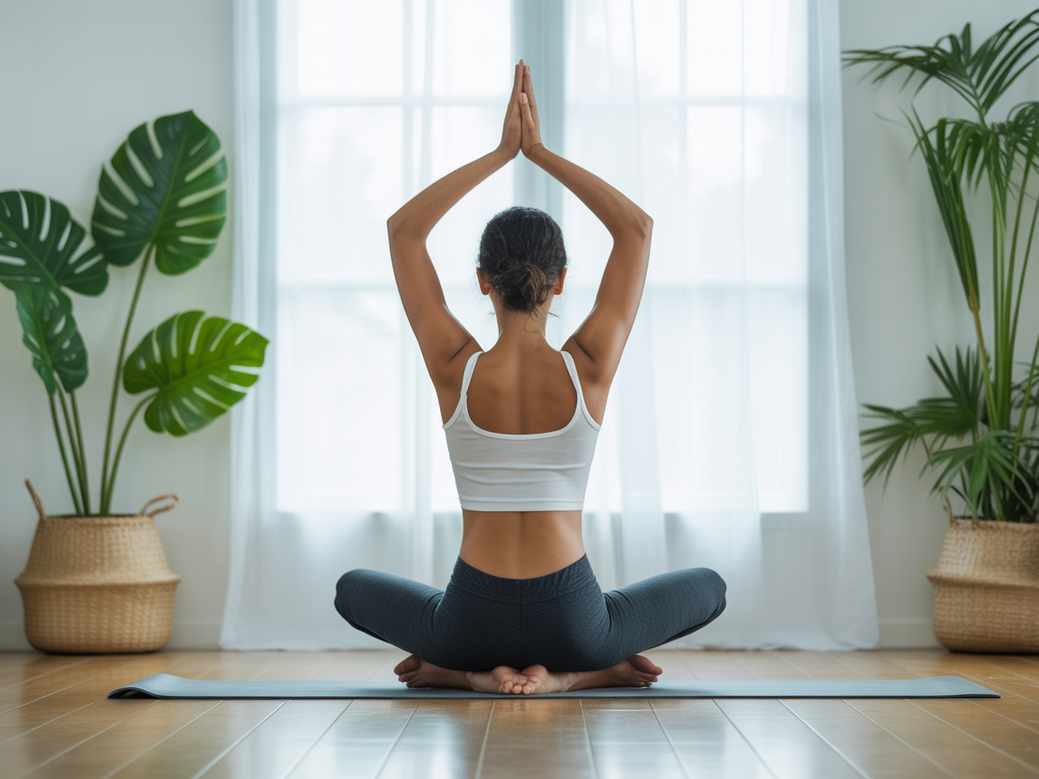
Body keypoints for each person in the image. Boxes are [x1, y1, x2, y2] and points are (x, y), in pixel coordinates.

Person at [335, 61, 725, 695]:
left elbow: (403, 232)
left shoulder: (454, 368)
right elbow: (637, 229)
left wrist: (500, 154)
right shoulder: (589, 366)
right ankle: (577, 677)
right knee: (710, 586)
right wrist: (538, 152)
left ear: (483, 280)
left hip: (469, 621)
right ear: (563, 281)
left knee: (350, 589)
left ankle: (465, 675)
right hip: (575, 622)